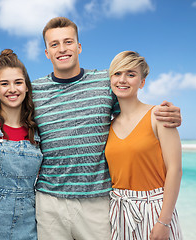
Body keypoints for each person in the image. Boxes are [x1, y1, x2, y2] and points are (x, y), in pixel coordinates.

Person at [32, 17, 182, 239]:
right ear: (46, 52)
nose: (62, 49)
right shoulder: (34, 91)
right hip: (49, 202)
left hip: (98, 202)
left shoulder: (106, 81)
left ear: (79, 46)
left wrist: (171, 114)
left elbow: (133, 107)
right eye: (54, 44)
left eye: (68, 42)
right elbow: (9, 116)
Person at [105, 51, 182, 239]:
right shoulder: (108, 125)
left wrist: (164, 221)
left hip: (155, 211)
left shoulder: (159, 115)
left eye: (131, 74)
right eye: (117, 73)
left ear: (141, 82)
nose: (122, 80)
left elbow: (175, 170)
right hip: (119, 212)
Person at [0, 49, 43, 239]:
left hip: (29, 218)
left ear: (27, 87)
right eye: (4, 84)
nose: (12, 89)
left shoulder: (38, 127)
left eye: (18, 82)